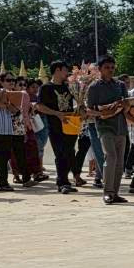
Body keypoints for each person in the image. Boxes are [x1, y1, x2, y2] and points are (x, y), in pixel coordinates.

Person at [85, 56, 131, 205]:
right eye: (107, 67)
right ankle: (107, 192)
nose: (110, 70)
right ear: (100, 69)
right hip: (105, 127)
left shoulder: (120, 85)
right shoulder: (94, 87)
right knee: (110, 157)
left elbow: (127, 106)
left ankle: (115, 193)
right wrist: (103, 113)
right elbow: (88, 110)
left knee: (119, 161)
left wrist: (126, 105)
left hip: (121, 126)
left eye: (112, 67)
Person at [36, 62, 80, 194]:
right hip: (54, 125)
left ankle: (64, 179)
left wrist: (79, 108)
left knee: (69, 152)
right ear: (57, 70)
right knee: (60, 153)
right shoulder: (46, 88)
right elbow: (39, 106)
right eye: (66, 70)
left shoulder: (69, 87)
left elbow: (75, 102)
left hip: (70, 124)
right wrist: (57, 114)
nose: (67, 73)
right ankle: (62, 182)